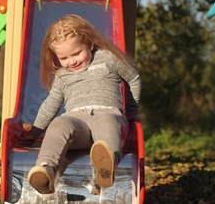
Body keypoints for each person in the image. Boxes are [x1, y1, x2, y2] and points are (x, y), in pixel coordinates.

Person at [24, 14, 141, 195]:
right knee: (59, 124)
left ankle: (105, 167)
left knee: (107, 124)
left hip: (108, 114)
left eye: (77, 53)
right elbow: (50, 105)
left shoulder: (107, 58)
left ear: (90, 44)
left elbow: (134, 78)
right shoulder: (62, 75)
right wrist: (34, 131)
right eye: (64, 58)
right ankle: (46, 169)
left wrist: (132, 110)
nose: (72, 61)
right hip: (77, 122)